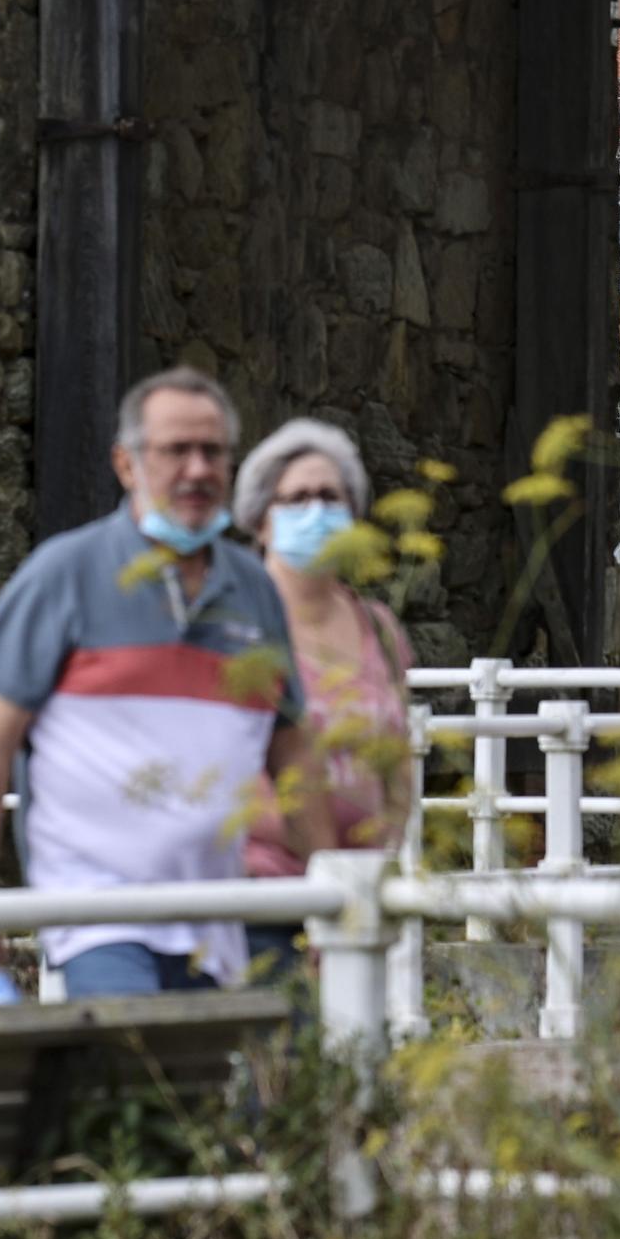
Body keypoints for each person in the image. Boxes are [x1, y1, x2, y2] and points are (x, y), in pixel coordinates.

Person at [0, 368, 334, 1003]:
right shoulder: (64, 573)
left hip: (223, 913)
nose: (198, 470)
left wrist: (332, 893)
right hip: (100, 912)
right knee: (135, 1078)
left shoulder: (254, 592)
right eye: (176, 450)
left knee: (261, 1092)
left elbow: (293, 755)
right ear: (126, 464)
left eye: (213, 452)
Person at [233, 419, 412, 980]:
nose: (316, 511)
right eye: (298, 498)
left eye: (330, 497)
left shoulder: (378, 628)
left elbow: (398, 757)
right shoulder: (238, 626)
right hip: (261, 887)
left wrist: (385, 851)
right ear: (262, 520)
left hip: (360, 894)